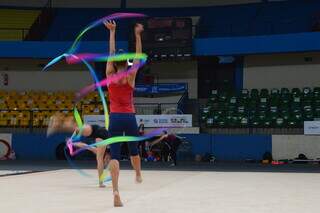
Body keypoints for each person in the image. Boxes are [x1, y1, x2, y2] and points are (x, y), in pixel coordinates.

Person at [105, 20, 144, 207]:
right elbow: (138, 56)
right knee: (134, 150)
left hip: (115, 118)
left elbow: (111, 53)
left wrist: (112, 32)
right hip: (129, 117)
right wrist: (137, 36)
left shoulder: (110, 76)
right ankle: (137, 173)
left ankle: (115, 191)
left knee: (114, 156)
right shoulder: (130, 77)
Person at [47, 113, 109, 188]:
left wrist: (73, 143)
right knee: (77, 128)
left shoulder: (99, 151)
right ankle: (57, 121)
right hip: (99, 131)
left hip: (97, 132)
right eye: (106, 162)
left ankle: (57, 122)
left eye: (106, 162)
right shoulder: (106, 153)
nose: (106, 162)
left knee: (77, 129)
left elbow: (85, 146)